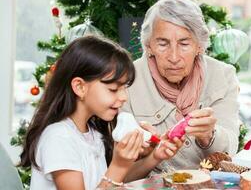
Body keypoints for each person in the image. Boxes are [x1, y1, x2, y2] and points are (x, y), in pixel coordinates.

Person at [20, 36, 184, 190]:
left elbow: (113, 181)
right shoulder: (58, 138)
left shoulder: (92, 133)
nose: (123, 97)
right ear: (80, 87)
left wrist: (154, 156)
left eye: (124, 88)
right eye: (113, 89)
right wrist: (118, 165)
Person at [122, 0, 240, 172]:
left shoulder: (222, 75)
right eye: (163, 44)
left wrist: (209, 135)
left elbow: (230, 147)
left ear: (199, 46)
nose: (174, 57)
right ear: (148, 46)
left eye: (184, 44)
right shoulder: (127, 80)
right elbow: (119, 166)